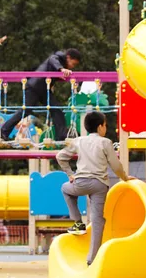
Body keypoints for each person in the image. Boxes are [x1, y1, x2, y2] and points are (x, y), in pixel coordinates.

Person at [56, 111, 136, 266]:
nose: (105, 128)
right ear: (100, 127)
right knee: (97, 219)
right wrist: (125, 177)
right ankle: (92, 259)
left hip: (81, 183)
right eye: (105, 125)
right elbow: (116, 165)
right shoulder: (105, 142)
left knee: (65, 189)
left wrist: (70, 174)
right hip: (100, 185)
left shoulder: (78, 141)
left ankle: (78, 222)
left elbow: (60, 156)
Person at [0, 48, 82, 141]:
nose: (72, 67)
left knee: (56, 109)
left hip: (43, 89)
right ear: (68, 57)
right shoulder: (58, 57)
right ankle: (4, 130)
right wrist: (61, 69)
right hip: (34, 87)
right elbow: (52, 59)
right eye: (73, 63)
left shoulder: (60, 61)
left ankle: (61, 135)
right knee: (26, 110)